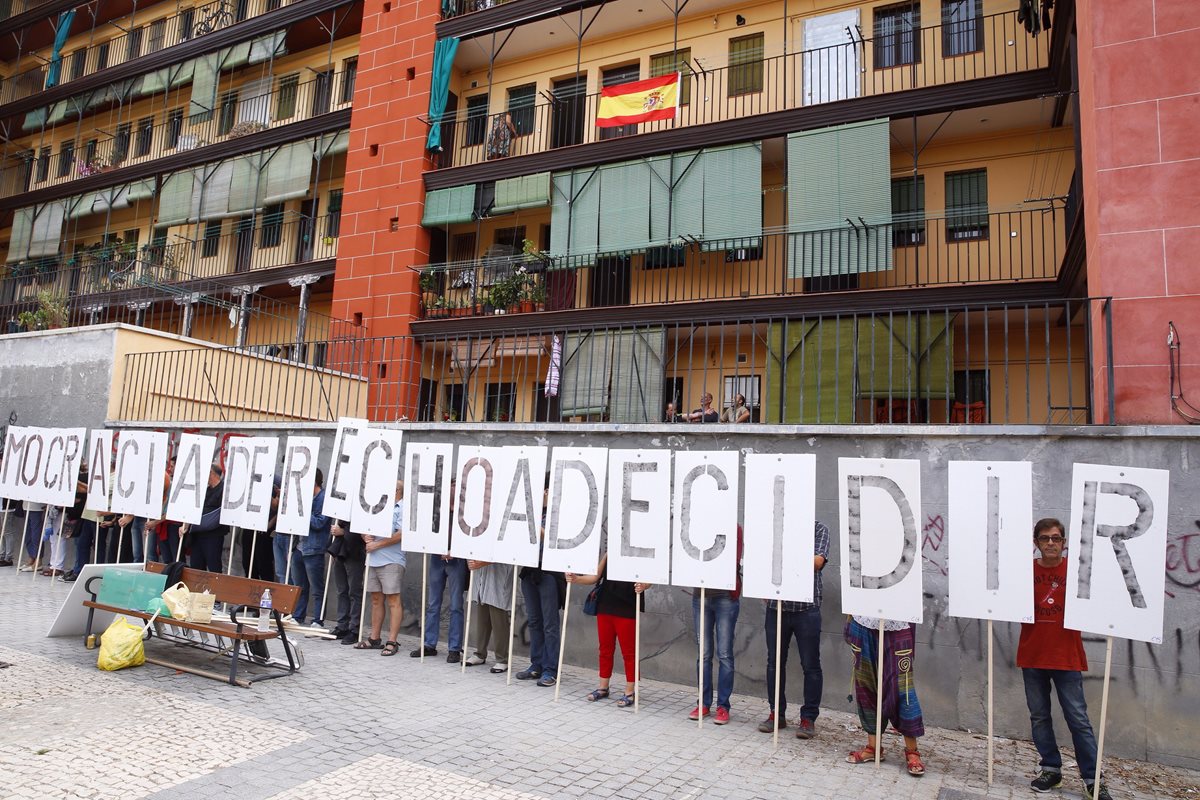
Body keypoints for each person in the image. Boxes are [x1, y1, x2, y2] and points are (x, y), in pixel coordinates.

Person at [1019, 518, 1112, 800]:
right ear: (1036, 543)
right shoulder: (1024, 572)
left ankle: (1092, 778)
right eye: (1045, 538)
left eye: (1056, 538)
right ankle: (1051, 769)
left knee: (1078, 720)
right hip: (1033, 655)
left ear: (1064, 542)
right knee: (1039, 717)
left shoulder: (1077, 571)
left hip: (1066, 656)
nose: (1050, 543)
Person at [759, 520, 829, 738]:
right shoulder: (775, 526)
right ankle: (776, 714)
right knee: (775, 663)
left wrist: (783, 555)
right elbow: (761, 558)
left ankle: (808, 718)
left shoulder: (818, 528)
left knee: (810, 665)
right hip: (776, 607)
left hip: (806, 608)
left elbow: (817, 562)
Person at [844, 614, 926, 776]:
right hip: (863, 619)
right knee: (865, 684)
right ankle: (873, 747)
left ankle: (912, 751)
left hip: (897, 621)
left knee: (902, 687)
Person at [568, 552, 648, 706]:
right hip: (605, 606)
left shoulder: (639, 551)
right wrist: (577, 579)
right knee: (605, 649)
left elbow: (649, 577)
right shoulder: (609, 552)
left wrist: (644, 585)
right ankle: (603, 687)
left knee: (629, 651)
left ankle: (630, 691)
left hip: (627, 607)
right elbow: (595, 577)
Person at [689, 524, 743, 724]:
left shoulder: (733, 527)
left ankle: (723, 706)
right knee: (703, 654)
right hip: (700, 595)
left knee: (725, 654)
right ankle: (703, 703)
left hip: (725, 597)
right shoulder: (698, 525)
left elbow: (733, 559)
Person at [411, 478, 468, 663]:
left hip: (457, 559)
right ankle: (429, 644)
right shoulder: (438, 511)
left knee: (456, 605)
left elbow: (472, 536)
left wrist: (456, 550)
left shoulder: (465, 513)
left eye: (454, 486)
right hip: (437, 558)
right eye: (449, 486)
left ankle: (454, 648)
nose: (451, 489)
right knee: (433, 603)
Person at [517, 481, 567, 686]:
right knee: (535, 620)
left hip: (548, 573)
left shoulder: (558, 514)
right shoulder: (533, 511)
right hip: (530, 571)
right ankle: (536, 664)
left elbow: (556, 539)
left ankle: (550, 669)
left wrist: (535, 527)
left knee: (550, 623)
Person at [357, 480, 407, 655]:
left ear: (397, 490)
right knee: (376, 599)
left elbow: (401, 534)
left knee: (393, 600)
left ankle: (392, 641)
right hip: (373, 558)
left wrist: (377, 545)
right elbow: (364, 525)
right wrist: (366, 537)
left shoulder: (403, 507)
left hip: (392, 559)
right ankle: (374, 638)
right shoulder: (379, 505)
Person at [294, 468, 331, 628]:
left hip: (314, 548)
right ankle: (298, 616)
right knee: (299, 586)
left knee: (317, 588)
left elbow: (319, 523)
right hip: (299, 547)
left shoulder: (323, 498)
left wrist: (303, 510)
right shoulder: (306, 497)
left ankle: (318, 619)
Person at [465, 559, 513, 673]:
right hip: (481, 573)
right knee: (482, 619)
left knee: (499, 620)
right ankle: (480, 653)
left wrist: (482, 562)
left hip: (498, 574)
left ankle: (502, 659)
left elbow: (506, 551)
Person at [179, 464, 227, 571]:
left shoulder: (224, 490)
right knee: (196, 567)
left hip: (213, 536)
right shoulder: (204, 490)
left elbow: (218, 514)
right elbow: (194, 510)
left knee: (214, 567)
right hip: (197, 535)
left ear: (211, 473)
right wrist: (186, 525)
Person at [328, 516, 366, 645]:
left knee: (354, 592)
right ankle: (342, 626)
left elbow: (364, 529)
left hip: (355, 552)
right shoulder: (343, 508)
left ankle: (354, 629)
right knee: (342, 591)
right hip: (341, 551)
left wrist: (344, 532)